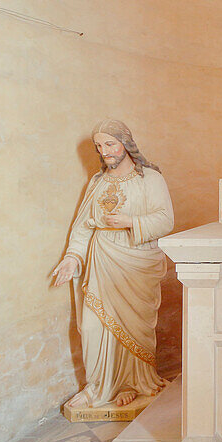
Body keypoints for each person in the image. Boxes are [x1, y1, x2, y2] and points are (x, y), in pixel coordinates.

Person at [51, 120, 174, 409]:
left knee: (133, 328)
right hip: (100, 260)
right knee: (94, 327)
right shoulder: (97, 182)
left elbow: (166, 220)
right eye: (99, 146)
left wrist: (131, 222)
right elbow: (82, 226)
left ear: (126, 143)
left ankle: (135, 384)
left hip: (134, 261)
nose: (104, 151)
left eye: (109, 143)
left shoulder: (150, 179)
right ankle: (98, 387)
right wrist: (72, 257)